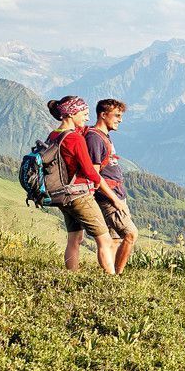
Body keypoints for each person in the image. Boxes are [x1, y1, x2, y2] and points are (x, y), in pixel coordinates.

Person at [45, 95, 125, 274]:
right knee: (104, 240)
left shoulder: (55, 134)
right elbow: (90, 171)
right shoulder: (75, 139)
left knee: (74, 238)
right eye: (84, 113)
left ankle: (71, 275)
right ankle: (112, 281)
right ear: (72, 113)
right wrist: (109, 193)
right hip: (79, 195)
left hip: (62, 193)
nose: (87, 118)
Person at [86, 99, 138, 274]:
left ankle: (110, 275)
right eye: (116, 115)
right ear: (103, 114)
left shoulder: (104, 136)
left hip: (116, 193)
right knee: (131, 234)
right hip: (109, 196)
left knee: (115, 238)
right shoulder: (94, 138)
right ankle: (118, 275)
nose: (120, 120)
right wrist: (114, 199)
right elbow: (94, 175)